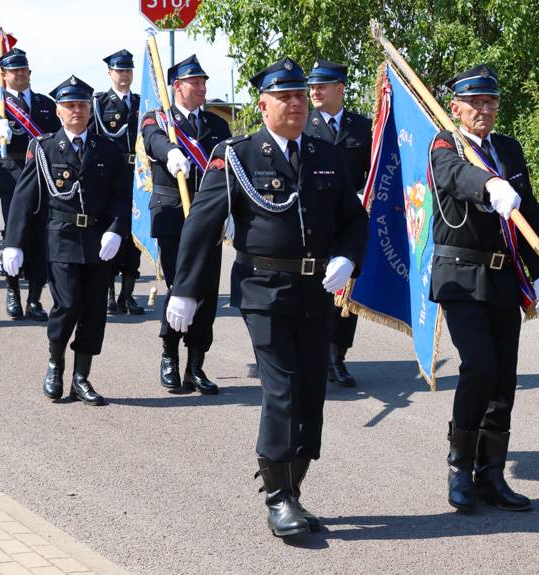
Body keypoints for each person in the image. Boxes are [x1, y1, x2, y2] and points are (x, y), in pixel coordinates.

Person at [166, 57, 367, 537]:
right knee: (282, 390)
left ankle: (291, 486)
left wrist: (347, 257)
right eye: (285, 97)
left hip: (316, 292)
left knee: (312, 396)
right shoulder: (236, 155)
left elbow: (354, 218)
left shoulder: (325, 154)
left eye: (300, 96)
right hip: (264, 290)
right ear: (263, 106)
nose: (296, 104)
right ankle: (277, 498)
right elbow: (201, 226)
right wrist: (186, 290)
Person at [429, 64, 539, 513]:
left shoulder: (508, 149)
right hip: (460, 276)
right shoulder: (447, 144)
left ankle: (491, 474)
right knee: (479, 366)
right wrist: (488, 184)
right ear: (456, 107)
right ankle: (459, 468)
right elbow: (453, 177)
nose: (483, 110)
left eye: (490, 102)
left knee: (503, 378)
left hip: (504, 278)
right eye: (474, 103)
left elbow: (531, 214)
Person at [1, 76, 129, 406]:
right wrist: (12, 242)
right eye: (70, 106)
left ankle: (81, 378)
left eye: (82, 105)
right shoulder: (43, 149)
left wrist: (116, 228)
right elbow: (23, 198)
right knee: (68, 304)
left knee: (95, 311)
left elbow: (121, 197)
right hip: (62, 238)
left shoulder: (109, 150)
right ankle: (56, 364)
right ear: (58, 112)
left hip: (100, 240)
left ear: (91, 109)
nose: (77, 111)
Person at [141, 54, 231, 395]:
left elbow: (228, 166)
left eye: (204, 81)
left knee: (207, 290)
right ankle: (170, 356)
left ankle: (196, 364)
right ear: (177, 86)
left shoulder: (217, 126)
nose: (203, 87)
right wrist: (170, 152)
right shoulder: (159, 120)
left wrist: (232, 211)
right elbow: (153, 140)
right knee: (180, 287)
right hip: (173, 214)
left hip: (208, 217)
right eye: (196, 82)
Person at [304, 59, 372, 388]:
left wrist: (365, 195)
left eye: (322, 85)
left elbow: (376, 172)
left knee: (348, 290)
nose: (314, 91)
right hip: (315, 222)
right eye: (312, 86)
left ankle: (338, 355)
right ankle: (316, 354)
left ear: (340, 89)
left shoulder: (362, 127)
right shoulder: (302, 124)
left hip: (349, 221)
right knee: (317, 290)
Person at [0, 48, 61, 320]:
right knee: (14, 234)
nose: (20, 74)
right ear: (4, 75)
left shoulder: (46, 103)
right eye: (14, 71)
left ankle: (35, 299)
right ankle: (13, 291)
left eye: (24, 70)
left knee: (41, 238)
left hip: (43, 174)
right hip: (13, 173)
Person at [90, 49, 144, 315]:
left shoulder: (142, 103)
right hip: (110, 176)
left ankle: (128, 295)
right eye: (120, 70)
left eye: (128, 70)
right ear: (110, 73)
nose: (125, 75)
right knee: (111, 232)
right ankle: (109, 293)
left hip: (138, 178)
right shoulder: (99, 104)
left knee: (134, 239)